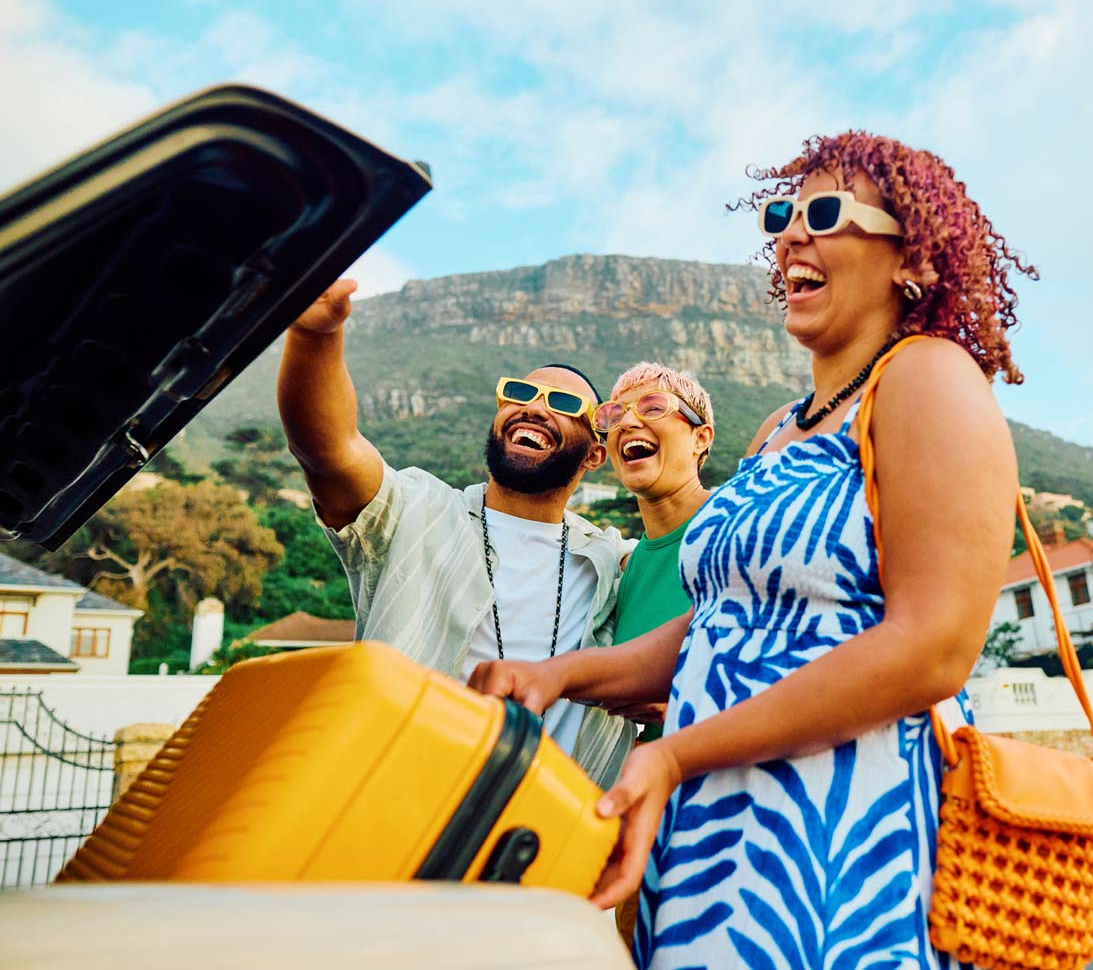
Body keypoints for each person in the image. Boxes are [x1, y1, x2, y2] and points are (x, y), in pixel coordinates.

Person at [470, 130, 1027, 968]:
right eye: (783, 215)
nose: (789, 235)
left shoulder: (927, 377)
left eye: (825, 214)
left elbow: (934, 650)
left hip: (844, 829)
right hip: (714, 828)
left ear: (910, 257)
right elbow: (720, 628)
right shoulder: (776, 434)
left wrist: (678, 753)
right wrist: (561, 678)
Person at [278, 278, 635, 786]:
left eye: (560, 403)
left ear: (596, 454)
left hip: (550, 838)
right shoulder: (414, 511)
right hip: (394, 805)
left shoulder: (614, 562)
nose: (533, 407)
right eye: (519, 393)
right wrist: (315, 337)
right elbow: (328, 450)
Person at [589, 361, 716, 945]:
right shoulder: (627, 566)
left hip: (734, 809)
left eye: (655, 408)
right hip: (646, 828)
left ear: (700, 438)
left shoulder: (739, 526)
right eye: (613, 415)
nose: (627, 423)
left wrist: (688, 701)